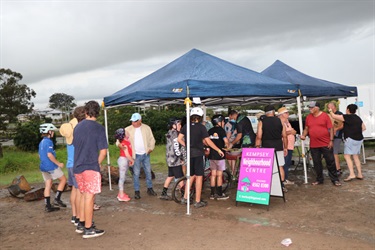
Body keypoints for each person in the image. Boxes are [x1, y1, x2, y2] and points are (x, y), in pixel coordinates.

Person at [73, 101, 108, 238]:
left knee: (82, 194)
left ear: (86, 111)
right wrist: (97, 163)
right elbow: (103, 152)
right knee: (90, 197)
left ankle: (81, 224)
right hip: (90, 167)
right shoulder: (99, 128)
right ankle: (89, 229)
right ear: (97, 113)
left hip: (77, 166)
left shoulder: (77, 127)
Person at [177, 107, 225, 208]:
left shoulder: (186, 126)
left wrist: (187, 145)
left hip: (189, 154)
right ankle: (197, 201)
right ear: (200, 117)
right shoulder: (201, 127)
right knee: (199, 177)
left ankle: (185, 198)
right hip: (198, 154)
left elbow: (179, 139)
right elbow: (208, 141)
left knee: (190, 176)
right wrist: (218, 149)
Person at [300, 101, 341, 186]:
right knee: (316, 163)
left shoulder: (325, 116)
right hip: (314, 144)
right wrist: (303, 135)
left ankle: (335, 179)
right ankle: (319, 179)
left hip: (325, 143)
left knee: (330, 162)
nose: (310, 109)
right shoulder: (308, 117)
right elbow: (306, 128)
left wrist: (331, 140)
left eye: (312, 107)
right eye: (309, 107)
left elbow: (331, 129)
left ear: (317, 108)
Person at [59, 106, 85, 225]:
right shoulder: (78, 130)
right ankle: (80, 218)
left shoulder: (69, 128)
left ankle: (74, 216)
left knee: (74, 190)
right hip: (78, 164)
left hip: (70, 164)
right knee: (80, 192)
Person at [329, 104, 366, 181]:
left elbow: (333, 116)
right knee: (355, 156)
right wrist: (356, 131)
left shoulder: (346, 117)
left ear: (348, 110)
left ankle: (352, 174)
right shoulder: (358, 118)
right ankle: (359, 174)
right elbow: (364, 128)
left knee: (347, 156)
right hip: (359, 139)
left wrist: (330, 110)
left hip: (350, 139)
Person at [255, 105, 288, 192]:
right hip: (278, 146)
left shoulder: (261, 122)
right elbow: (284, 136)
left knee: (267, 167)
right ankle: (282, 185)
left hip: (266, 147)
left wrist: (257, 147)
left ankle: (268, 186)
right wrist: (286, 148)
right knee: (280, 166)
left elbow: (259, 136)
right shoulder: (280, 121)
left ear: (266, 113)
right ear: (273, 112)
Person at [125, 113, 157, 199]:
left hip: (146, 154)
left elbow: (152, 139)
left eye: (135, 121)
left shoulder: (146, 128)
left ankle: (150, 188)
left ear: (140, 120)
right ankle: (137, 191)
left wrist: (150, 148)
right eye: (132, 121)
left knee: (148, 172)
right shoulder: (127, 129)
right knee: (136, 174)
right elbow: (119, 140)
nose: (133, 123)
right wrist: (122, 146)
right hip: (135, 155)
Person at [38, 123, 67, 212]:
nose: (53, 133)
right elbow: (49, 155)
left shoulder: (41, 142)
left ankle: (48, 206)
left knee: (48, 184)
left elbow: (39, 155)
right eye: (52, 131)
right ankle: (57, 199)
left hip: (43, 166)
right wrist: (58, 164)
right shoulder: (49, 142)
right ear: (49, 132)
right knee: (63, 180)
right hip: (51, 166)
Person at [160, 118, 184, 200]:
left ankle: (164, 193)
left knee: (170, 176)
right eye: (179, 124)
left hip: (169, 159)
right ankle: (184, 194)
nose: (180, 126)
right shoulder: (176, 135)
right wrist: (181, 157)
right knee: (180, 177)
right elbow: (176, 148)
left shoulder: (169, 133)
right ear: (174, 126)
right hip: (175, 160)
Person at [208, 114, 229, 200]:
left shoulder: (210, 130)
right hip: (220, 155)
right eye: (223, 121)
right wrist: (227, 146)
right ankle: (219, 194)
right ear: (219, 122)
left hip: (211, 155)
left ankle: (212, 194)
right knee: (219, 175)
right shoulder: (221, 131)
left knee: (213, 174)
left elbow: (206, 141)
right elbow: (226, 141)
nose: (223, 123)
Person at [277, 107, 296, 185]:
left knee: (287, 163)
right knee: (284, 163)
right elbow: (279, 134)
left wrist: (292, 132)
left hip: (290, 145)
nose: (288, 114)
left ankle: (285, 178)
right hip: (285, 145)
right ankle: (283, 180)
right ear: (281, 115)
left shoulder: (287, 121)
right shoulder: (280, 122)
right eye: (286, 113)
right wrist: (291, 132)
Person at [115, 128, 134, 202]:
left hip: (125, 160)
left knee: (123, 177)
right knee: (122, 178)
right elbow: (127, 154)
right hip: (123, 160)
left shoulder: (126, 141)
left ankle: (121, 193)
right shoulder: (124, 143)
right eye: (126, 132)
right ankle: (120, 195)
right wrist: (132, 160)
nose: (128, 132)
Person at [327, 102, 344, 176]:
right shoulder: (328, 115)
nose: (329, 108)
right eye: (328, 107)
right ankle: (334, 168)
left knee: (335, 153)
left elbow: (343, 124)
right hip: (330, 136)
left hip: (337, 136)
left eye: (330, 107)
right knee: (331, 153)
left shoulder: (339, 113)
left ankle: (338, 169)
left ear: (334, 107)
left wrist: (336, 129)